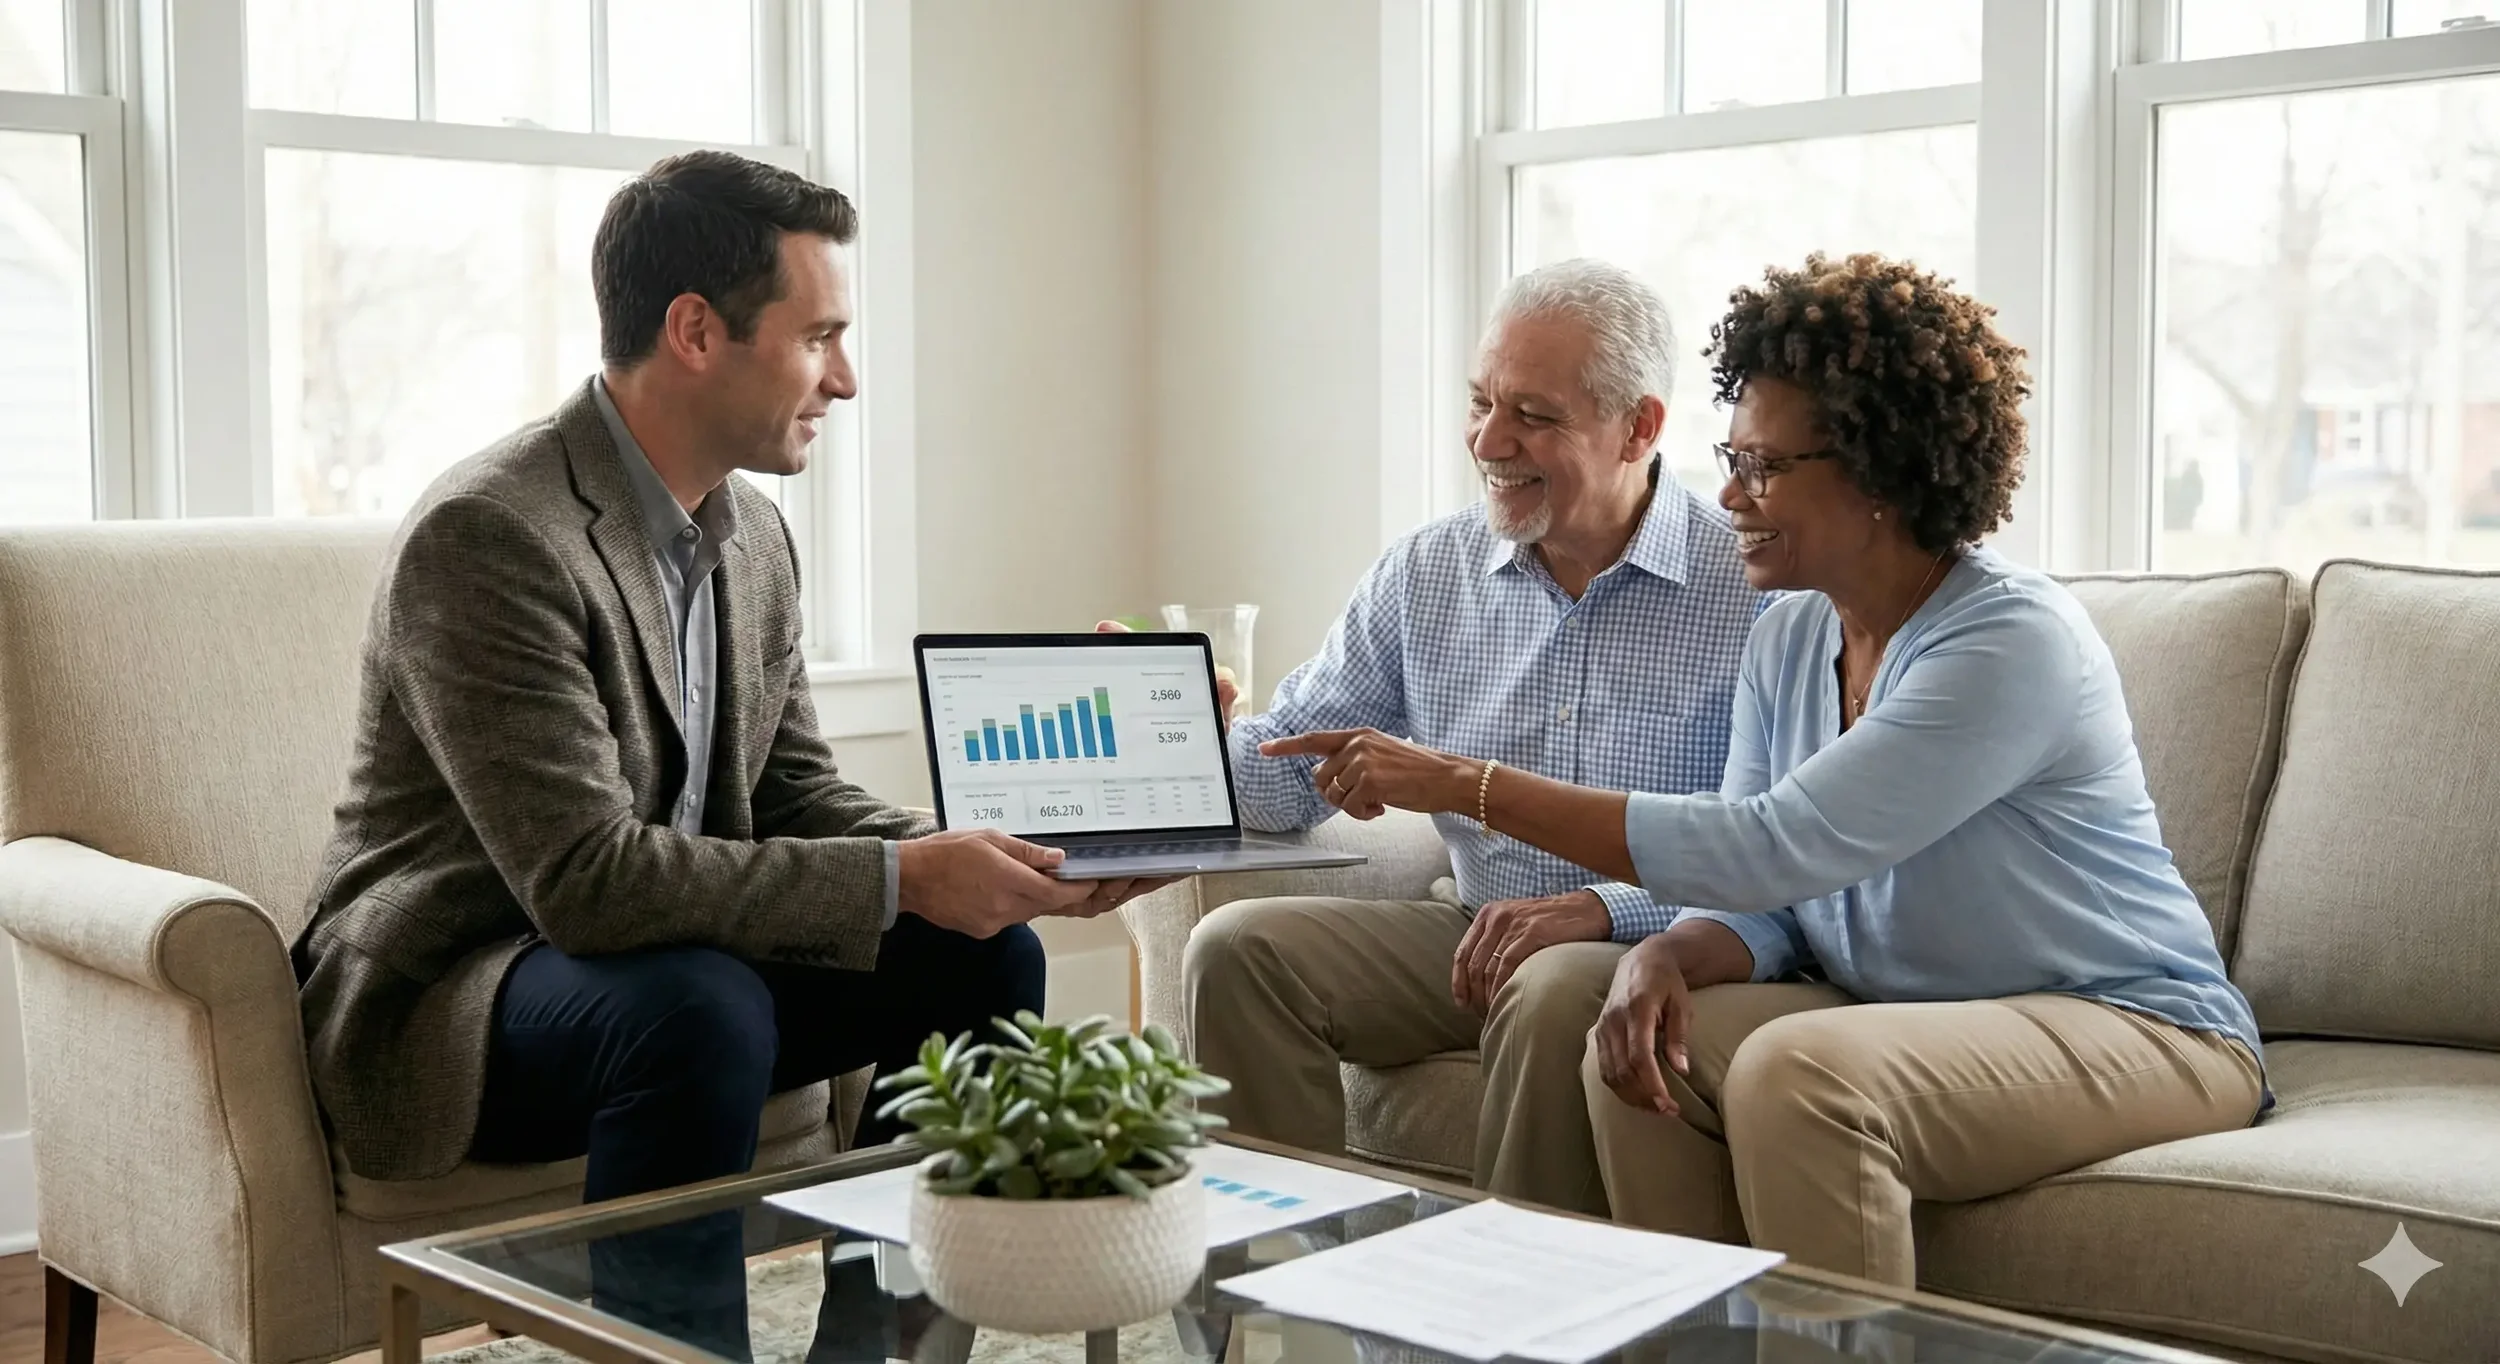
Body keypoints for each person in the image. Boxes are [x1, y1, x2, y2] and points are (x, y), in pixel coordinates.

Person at [290, 150, 1154, 1355]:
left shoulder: (750, 534)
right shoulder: (490, 535)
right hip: (470, 979)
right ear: (696, 330)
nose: (843, 380)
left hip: (682, 963)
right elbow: (586, 882)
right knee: (697, 1009)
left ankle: (881, 1347)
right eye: (819, 338)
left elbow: (792, 787)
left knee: (982, 952)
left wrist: (981, 857)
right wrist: (908, 877)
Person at [1262, 251, 2265, 1289]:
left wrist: (1464, 783)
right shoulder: (1789, 634)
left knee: (1800, 1071)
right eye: (1729, 458)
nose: (1729, 495)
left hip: (2130, 1018)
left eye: (1766, 467)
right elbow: (1762, 898)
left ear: (1880, 474)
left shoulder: (2005, 643)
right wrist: (1670, 953)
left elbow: (1765, 844)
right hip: (1894, 1006)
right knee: (1638, 1036)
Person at [1165, 258, 1763, 1217]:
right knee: (1238, 951)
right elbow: (1284, 777)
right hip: (1470, 932)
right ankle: (1274, 1307)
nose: (1490, 440)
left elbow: (1775, 851)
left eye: (1534, 413)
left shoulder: (1756, 590)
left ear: (1640, 428)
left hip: (1645, 941)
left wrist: (1606, 909)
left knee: (1554, 983)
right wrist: (1178, 726)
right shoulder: (1428, 573)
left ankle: (1493, 1323)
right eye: (1481, 401)